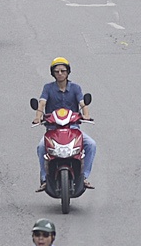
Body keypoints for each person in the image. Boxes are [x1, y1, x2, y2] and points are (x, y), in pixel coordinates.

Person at [34, 58, 96, 189]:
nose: (60, 73)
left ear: (68, 72)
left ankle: (83, 176)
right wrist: (38, 117)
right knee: (41, 148)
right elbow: (42, 103)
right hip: (52, 129)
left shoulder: (75, 88)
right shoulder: (48, 88)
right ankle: (45, 179)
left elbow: (83, 104)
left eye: (63, 71)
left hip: (73, 128)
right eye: (57, 71)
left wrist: (87, 115)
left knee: (91, 144)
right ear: (53, 73)